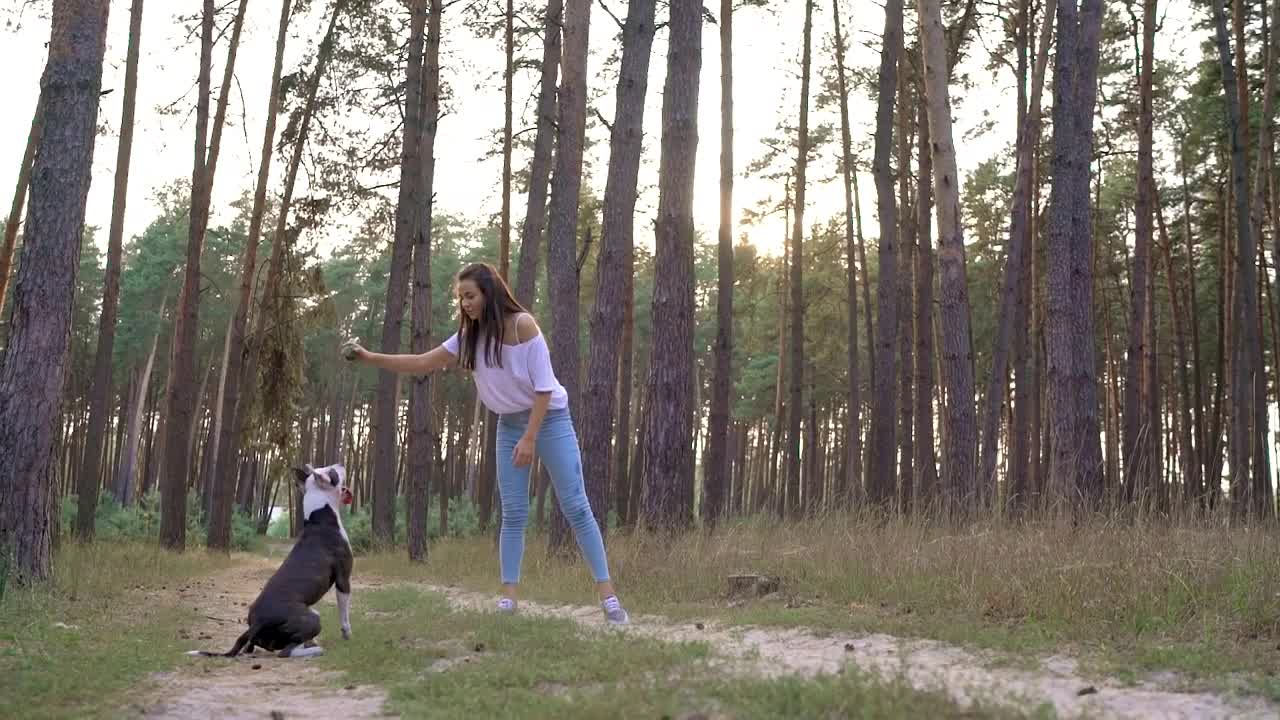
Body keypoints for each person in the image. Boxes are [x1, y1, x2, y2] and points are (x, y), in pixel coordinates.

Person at [340, 261, 629, 625]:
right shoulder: (468, 338)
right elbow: (421, 362)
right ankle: (508, 599)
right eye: (461, 298)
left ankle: (609, 598)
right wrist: (369, 357)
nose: (465, 304)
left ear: (488, 293)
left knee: (575, 506)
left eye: (470, 296)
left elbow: (543, 388)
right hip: (509, 424)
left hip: (550, 419)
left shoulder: (524, 326)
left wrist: (530, 438)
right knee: (513, 513)